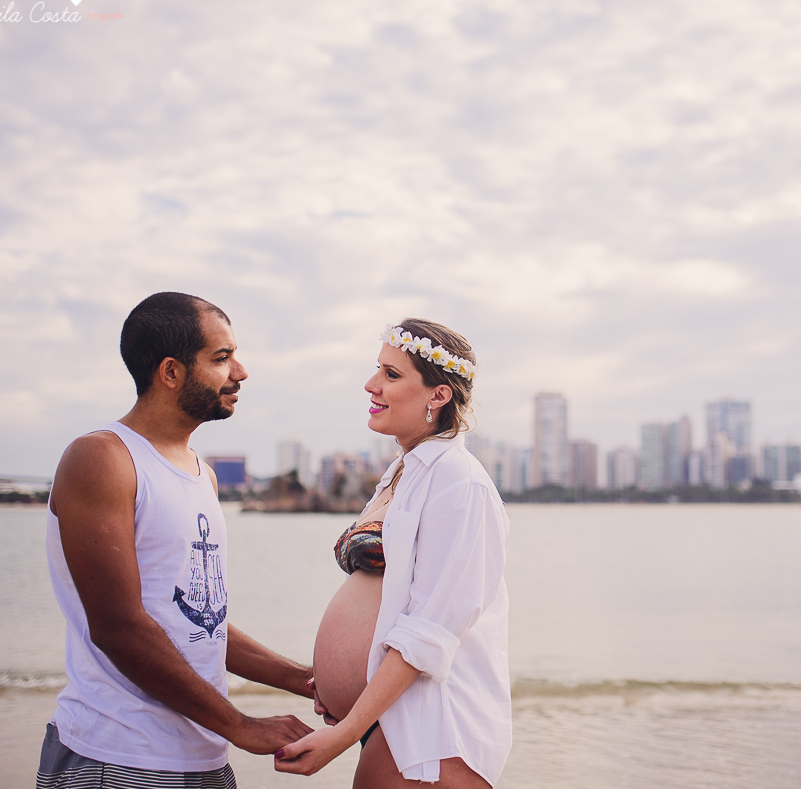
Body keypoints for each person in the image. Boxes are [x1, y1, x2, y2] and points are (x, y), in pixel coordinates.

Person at [37, 292, 315, 789]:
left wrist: (304, 680)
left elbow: (199, 626)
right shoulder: (102, 458)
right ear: (171, 372)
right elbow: (119, 627)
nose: (241, 373)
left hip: (203, 760)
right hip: (116, 759)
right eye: (222, 358)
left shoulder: (201, 474)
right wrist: (240, 724)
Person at [276, 319, 512, 787]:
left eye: (391, 374)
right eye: (376, 370)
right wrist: (335, 682)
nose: (372, 384)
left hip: (434, 725)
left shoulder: (459, 482)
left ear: (438, 396)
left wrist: (346, 731)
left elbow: (429, 632)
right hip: (391, 716)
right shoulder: (405, 471)